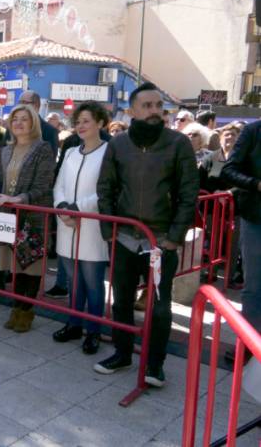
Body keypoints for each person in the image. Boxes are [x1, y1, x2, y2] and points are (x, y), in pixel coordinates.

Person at [95, 82, 199, 387]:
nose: (155, 111)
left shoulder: (178, 143)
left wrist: (174, 238)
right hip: (124, 238)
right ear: (132, 111)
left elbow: (188, 193)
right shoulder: (118, 144)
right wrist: (109, 231)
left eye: (158, 105)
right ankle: (122, 353)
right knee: (121, 301)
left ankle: (155, 364)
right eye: (147, 105)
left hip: (160, 241)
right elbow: (105, 188)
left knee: (159, 306)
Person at [0, 104, 55, 331]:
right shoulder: (5, 150)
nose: (19, 123)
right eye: (15, 119)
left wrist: (19, 199)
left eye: (24, 119)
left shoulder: (43, 148)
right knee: (15, 267)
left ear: (33, 122)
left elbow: (44, 186)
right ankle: (16, 308)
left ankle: (26, 312)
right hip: (9, 218)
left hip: (33, 217)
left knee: (31, 267)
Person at [51, 102, 110, 353]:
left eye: (86, 121)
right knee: (74, 281)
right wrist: (62, 207)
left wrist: (78, 208)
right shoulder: (71, 152)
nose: (81, 126)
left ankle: (94, 330)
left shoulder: (109, 152)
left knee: (93, 283)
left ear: (100, 123)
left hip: (92, 226)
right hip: (67, 223)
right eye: (78, 122)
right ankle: (74, 323)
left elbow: (106, 190)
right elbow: (59, 185)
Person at [221, 118, 261, 337]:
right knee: (254, 286)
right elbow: (229, 170)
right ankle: (248, 342)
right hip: (256, 219)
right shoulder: (253, 131)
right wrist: (256, 184)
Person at [200, 123, 243, 287]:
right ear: (220, 138)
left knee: (233, 243)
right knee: (213, 241)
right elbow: (201, 179)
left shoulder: (242, 158)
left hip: (236, 208)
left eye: (233, 135)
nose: (230, 137)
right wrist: (215, 193)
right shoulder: (210, 158)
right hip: (213, 208)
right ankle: (210, 272)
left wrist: (230, 193)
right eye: (226, 134)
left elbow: (246, 180)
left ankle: (229, 277)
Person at [17, 91, 58, 156]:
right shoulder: (13, 127)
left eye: (24, 102)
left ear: (36, 105)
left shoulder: (49, 131)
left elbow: (50, 158)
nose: (20, 106)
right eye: (19, 103)